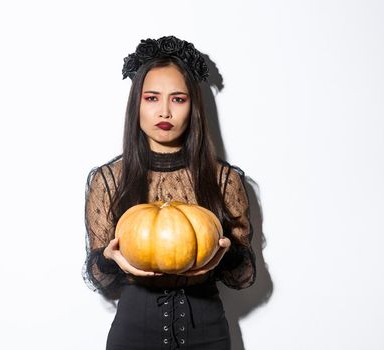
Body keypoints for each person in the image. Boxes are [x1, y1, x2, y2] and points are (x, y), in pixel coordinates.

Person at [82, 36, 256, 350]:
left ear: (194, 106)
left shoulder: (224, 179)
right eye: (151, 98)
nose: (164, 112)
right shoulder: (108, 179)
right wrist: (108, 259)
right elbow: (99, 276)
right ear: (137, 103)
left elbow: (242, 278)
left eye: (178, 99)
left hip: (209, 334)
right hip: (133, 334)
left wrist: (225, 253)